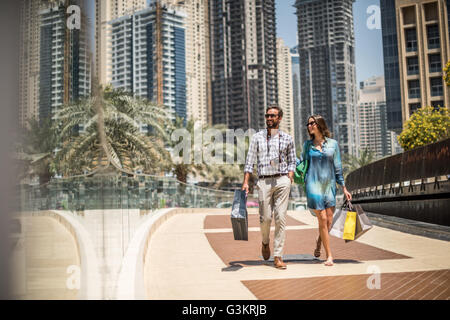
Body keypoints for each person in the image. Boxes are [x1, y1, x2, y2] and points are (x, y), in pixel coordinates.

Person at [242, 105, 296, 269]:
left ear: (279, 118)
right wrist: (246, 181)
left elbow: (292, 160)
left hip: (282, 180)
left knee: (281, 217)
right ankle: (265, 243)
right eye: (267, 116)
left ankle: (278, 255)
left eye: (272, 116)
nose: (269, 118)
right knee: (265, 218)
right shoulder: (257, 137)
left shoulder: (287, 138)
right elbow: (249, 161)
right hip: (264, 180)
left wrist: (290, 177)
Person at [302, 115, 352, 266]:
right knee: (322, 219)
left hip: (329, 185)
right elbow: (302, 163)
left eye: (312, 123)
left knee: (329, 221)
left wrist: (344, 188)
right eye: (308, 124)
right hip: (313, 185)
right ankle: (329, 255)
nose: (309, 126)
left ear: (319, 124)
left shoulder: (333, 144)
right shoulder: (307, 145)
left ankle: (319, 241)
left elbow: (337, 167)